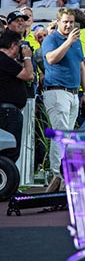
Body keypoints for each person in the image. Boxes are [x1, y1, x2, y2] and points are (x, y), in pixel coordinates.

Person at [42, 8, 85, 190]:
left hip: (73, 93)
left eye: (71, 22)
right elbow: (51, 59)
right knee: (61, 134)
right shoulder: (52, 39)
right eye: (65, 22)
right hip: (56, 91)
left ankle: (62, 175)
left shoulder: (77, 41)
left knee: (67, 135)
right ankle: (57, 175)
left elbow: (81, 66)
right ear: (58, 22)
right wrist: (68, 42)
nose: (69, 25)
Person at [0, 30, 34, 162]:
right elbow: (29, 76)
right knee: (10, 152)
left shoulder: (6, 61)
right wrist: (27, 57)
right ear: (14, 45)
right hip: (7, 113)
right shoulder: (4, 59)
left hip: (7, 111)